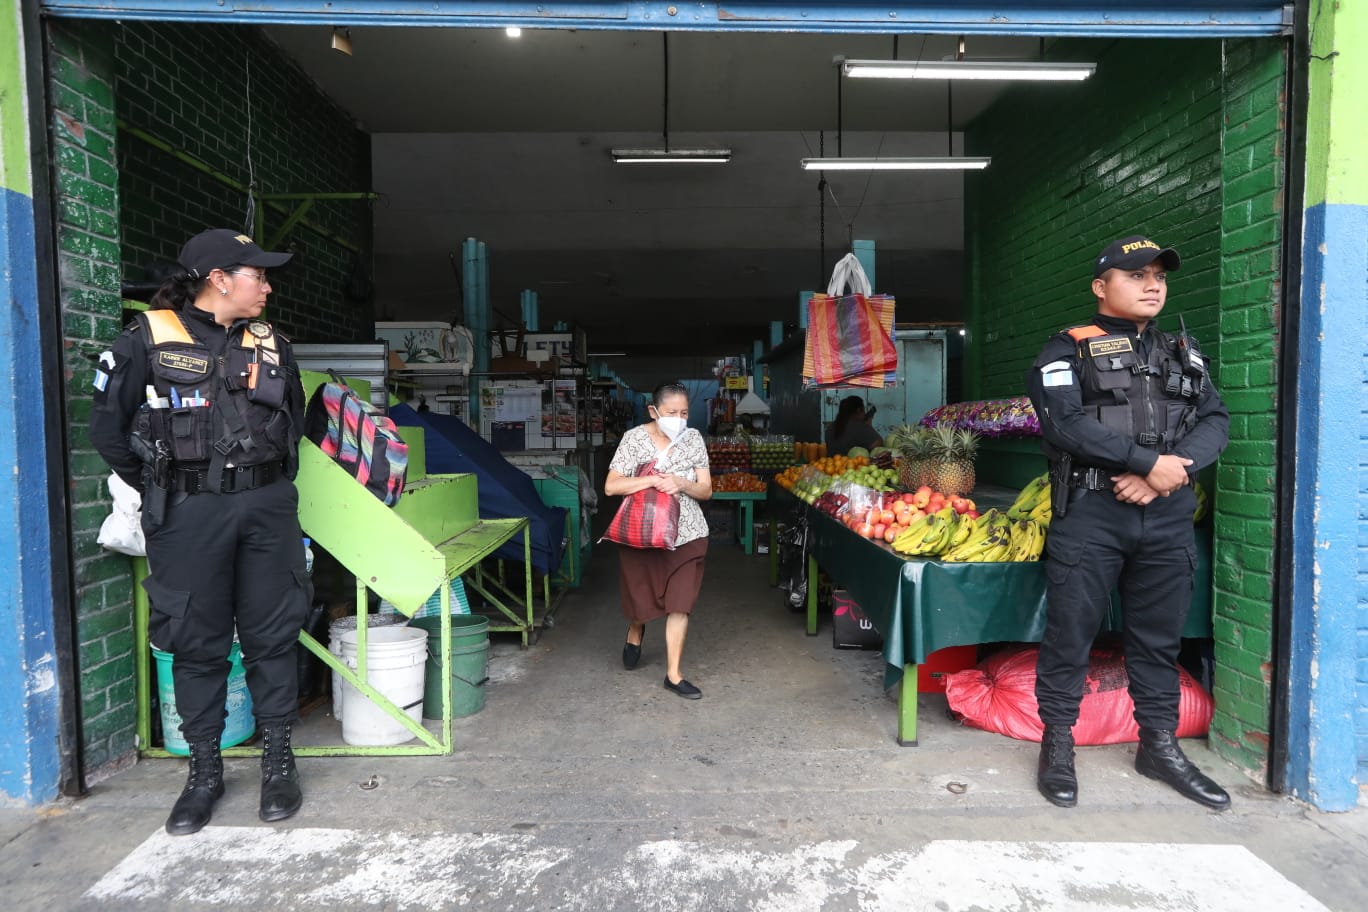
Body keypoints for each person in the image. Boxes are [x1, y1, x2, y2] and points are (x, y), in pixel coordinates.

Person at [90, 228, 311, 835]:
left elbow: (295, 423)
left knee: (273, 634)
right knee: (196, 642)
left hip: (267, 506)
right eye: (257, 275)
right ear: (219, 279)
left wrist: (264, 486)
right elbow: (108, 433)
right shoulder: (143, 341)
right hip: (187, 513)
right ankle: (204, 773)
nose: (266, 285)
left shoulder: (274, 344)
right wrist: (171, 486)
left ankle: (278, 764)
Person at [1025, 235, 1231, 811]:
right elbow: (1064, 425)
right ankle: (1058, 743)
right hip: (1092, 515)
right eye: (1135, 274)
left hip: (1165, 517)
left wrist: (1170, 471)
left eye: (1159, 276)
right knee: (1071, 636)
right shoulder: (1066, 352)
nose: (1152, 284)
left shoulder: (1183, 353)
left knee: (1158, 641)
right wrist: (1144, 463)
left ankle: (1158, 746)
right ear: (1101, 286)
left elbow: (1215, 420)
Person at [604, 382, 713, 699]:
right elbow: (611, 486)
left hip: (688, 534)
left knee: (680, 605)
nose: (679, 419)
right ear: (654, 411)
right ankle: (637, 625)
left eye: (684, 413)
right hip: (642, 534)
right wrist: (651, 479)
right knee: (642, 601)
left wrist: (681, 483)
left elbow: (706, 489)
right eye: (671, 413)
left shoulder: (693, 439)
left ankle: (674, 675)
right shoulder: (634, 439)